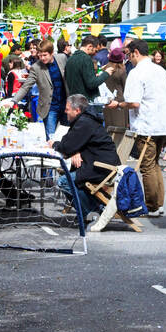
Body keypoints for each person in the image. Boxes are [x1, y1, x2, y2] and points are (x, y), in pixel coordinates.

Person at [52, 94, 123, 231]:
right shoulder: (84, 120)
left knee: (64, 181)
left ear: (77, 110)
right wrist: (75, 151)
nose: (65, 111)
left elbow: (66, 146)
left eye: (67, 109)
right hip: (95, 164)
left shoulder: (84, 122)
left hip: (101, 168)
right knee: (71, 180)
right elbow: (71, 143)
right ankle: (99, 208)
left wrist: (57, 145)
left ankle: (92, 211)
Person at [121, 39, 166, 217]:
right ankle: (158, 204)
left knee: (147, 166)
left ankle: (152, 205)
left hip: (146, 124)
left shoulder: (137, 73)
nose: (128, 58)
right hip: (162, 124)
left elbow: (133, 102)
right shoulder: (162, 71)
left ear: (135, 52)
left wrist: (118, 104)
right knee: (155, 164)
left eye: (128, 55)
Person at [65, 35, 111, 115]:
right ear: (89, 46)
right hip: (87, 105)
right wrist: (106, 74)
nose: (96, 54)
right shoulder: (86, 59)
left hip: (74, 104)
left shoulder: (70, 59)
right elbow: (91, 84)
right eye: (95, 51)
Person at [99, 47, 128, 148]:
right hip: (119, 102)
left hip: (106, 102)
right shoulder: (122, 71)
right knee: (119, 130)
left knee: (108, 127)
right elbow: (126, 87)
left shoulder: (103, 69)